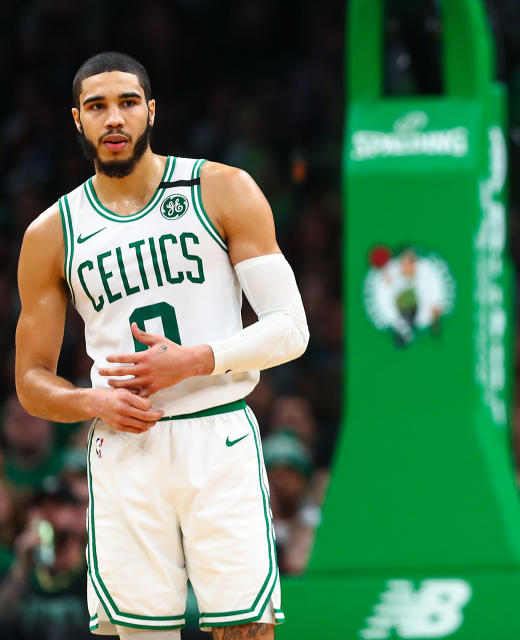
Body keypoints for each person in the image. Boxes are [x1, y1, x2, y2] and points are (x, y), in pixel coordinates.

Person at [14, 52, 309, 640]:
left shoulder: (221, 188)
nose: (114, 118)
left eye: (127, 102)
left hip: (216, 429)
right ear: (78, 120)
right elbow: (30, 382)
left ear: (150, 110)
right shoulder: (51, 233)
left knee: (245, 630)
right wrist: (93, 403)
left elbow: (290, 329)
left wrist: (196, 359)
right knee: (140, 635)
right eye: (97, 106)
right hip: (125, 446)